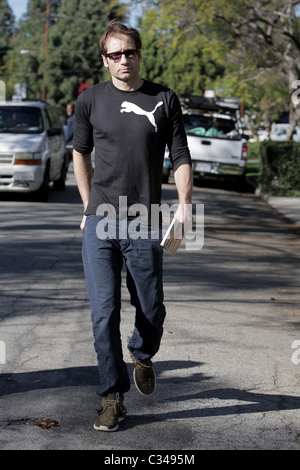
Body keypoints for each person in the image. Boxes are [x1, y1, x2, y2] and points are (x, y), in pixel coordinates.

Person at [73, 19, 193, 432]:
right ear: (105, 60)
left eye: (130, 52)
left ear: (139, 54)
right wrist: (88, 205)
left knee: (151, 308)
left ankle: (142, 353)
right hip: (101, 219)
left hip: (145, 218)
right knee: (103, 312)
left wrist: (185, 206)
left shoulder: (163, 98)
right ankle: (111, 396)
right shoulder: (91, 101)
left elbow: (180, 155)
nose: (124, 60)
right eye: (115, 54)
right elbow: (80, 153)